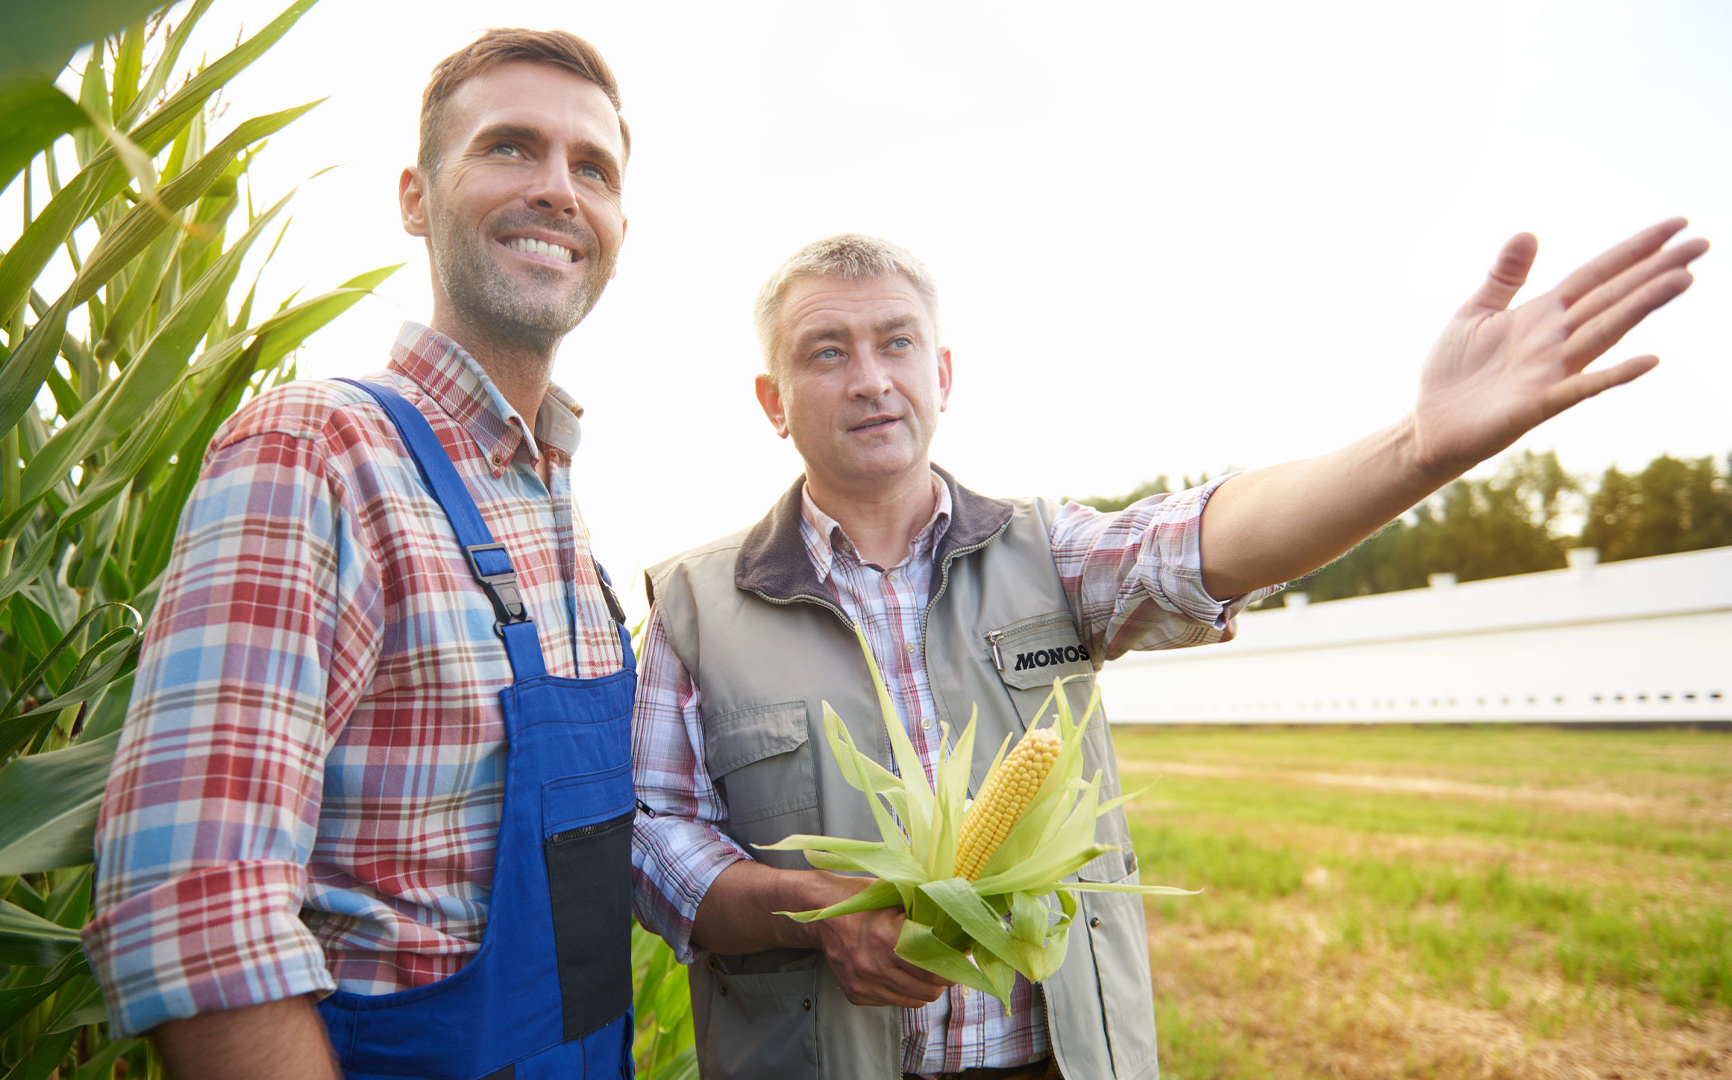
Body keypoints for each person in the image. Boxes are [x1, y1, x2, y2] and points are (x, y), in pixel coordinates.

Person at [631, 226, 1705, 1080]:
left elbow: (1206, 540)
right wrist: (816, 915)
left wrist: (1415, 449)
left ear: (943, 371)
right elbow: (655, 843)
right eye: (828, 351)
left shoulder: (1047, 554)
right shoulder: (690, 604)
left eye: (896, 341)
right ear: (772, 402)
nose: (871, 377)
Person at [83, 29, 638, 1080]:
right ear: (416, 200)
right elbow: (195, 908)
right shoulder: (320, 453)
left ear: (617, 223)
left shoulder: (562, 515)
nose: (559, 190)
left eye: (592, 168)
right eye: (510, 148)